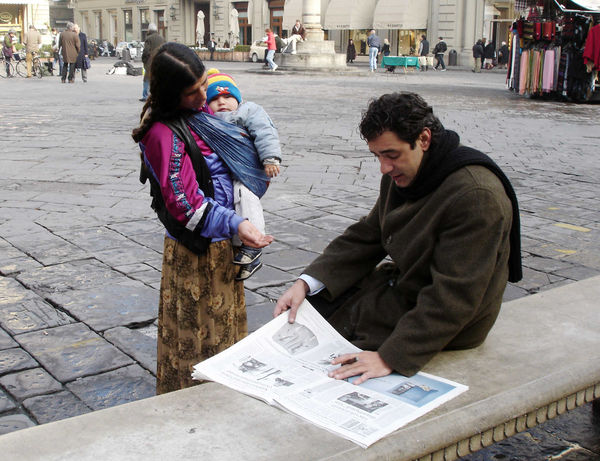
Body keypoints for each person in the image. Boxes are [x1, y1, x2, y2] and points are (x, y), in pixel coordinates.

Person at [274, 92, 521, 384]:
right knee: (308, 312)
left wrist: (390, 357)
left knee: (335, 356)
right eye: (377, 156)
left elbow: (453, 297)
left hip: (449, 321)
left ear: (424, 139)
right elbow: (369, 235)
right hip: (406, 290)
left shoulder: (476, 196)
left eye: (391, 155)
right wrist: (306, 282)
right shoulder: (404, 171)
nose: (384, 167)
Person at [131, 42, 273, 394]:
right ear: (171, 94)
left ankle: (223, 394)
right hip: (196, 254)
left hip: (221, 246)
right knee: (196, 338)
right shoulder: (164, 135)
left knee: (223, 334)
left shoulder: (200, 117)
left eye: (202, 84)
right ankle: (191, 403)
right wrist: (237, 223)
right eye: (192, 91)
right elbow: (185, 205)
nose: (202, 95)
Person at [205, 69, 282, 280]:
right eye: (215, 98)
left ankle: (255, 240)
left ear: (238, 97)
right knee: (231, 207)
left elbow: (265, 131)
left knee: (244, 196)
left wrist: (270, 158)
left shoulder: (248, 111)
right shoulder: (206, 119)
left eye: (228, 96)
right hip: (225, 173)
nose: (222, 102)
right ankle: (247, 254)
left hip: (247, 172)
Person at [140, 23, 164, 101]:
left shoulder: (148, 38)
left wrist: (144, 60)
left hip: (150, 61)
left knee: (147, 78)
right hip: (160, 60)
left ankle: (145, 96)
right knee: (158, 77)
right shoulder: (162, 38)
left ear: (149, 30)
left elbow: (146, 51)